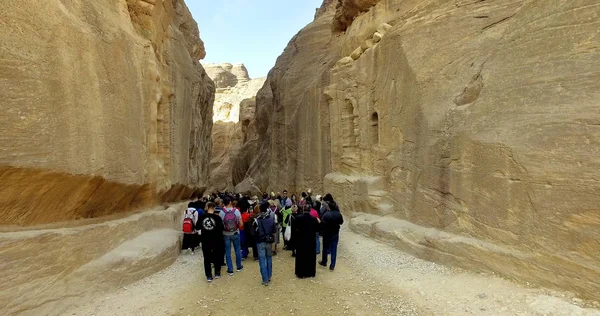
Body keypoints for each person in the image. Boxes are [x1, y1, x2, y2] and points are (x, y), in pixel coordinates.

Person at [198, 202, 224, 282]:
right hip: (216, 240)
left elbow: (197, 226)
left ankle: (209, 275)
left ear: (206, 208)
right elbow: (221, 228)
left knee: (207, 258)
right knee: (217, 256)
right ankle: (217, 272)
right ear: (214, 208)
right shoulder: (217, 218)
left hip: (205, 240)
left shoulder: (202, 217)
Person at [293, 204, 320, 278]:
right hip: (311, 241)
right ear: (310, 210)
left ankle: (301, 273)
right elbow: (318, 229)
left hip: (301, 240)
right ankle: (310, 272)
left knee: (301, 257)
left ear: (303, 209)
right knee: (310, 257)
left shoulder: (298, 218)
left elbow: (294, 229)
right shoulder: (314, 219)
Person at [219, 197, 244, 275]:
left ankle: (230, 269)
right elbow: (241, 224)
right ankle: (239, 266)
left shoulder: (221, 212)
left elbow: (220, 225)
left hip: (226, 234)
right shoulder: (236, 211)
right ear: (230, 202)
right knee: (237, 250)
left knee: (228, 252)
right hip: (235, 233)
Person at [254, 202, 277, 286]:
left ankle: (265, 279)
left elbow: (253, 232)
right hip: (269, 241)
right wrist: (274, 243)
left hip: (260, 241)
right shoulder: (271, 218)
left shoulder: (257, 220)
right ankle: (269, 275)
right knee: (269, 258)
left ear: (260, 210)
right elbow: (274, 231)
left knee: (262, 260)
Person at [319, 201, 344, 271]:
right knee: (334, 249)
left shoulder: (326, 215)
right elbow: (341, 222)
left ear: (329, 207)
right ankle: (332, 265)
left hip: (327, 233)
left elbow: (322, 223)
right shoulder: (339, 214)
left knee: (325, 248)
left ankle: (324, 261)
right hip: (335, 234)